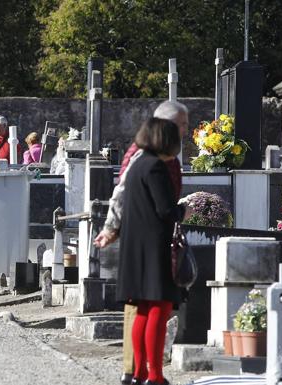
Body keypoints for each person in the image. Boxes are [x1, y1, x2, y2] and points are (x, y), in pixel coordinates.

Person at [94, 100, 189, 385]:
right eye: (182, 125)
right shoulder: (152, 164)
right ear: (165, 130)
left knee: (144, 312)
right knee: (155, 311)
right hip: (153, 246)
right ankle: (150, 374)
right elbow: (159, 208)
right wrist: (186, 209)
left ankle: (138, 373)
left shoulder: (143, 162)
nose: (185, 131)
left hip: (137, 246)